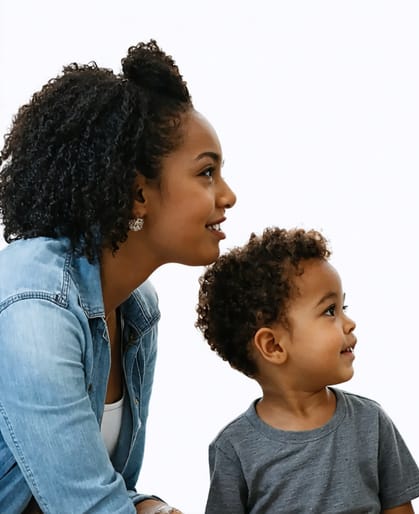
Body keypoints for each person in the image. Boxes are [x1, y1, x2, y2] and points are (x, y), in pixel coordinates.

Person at [0, 41, 236, 514]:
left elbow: (107, 487)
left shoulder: (136, 308)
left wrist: (151, 506)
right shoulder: (36, 308)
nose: (228, 196)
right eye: (207, 173)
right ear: (137, 194)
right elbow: (87, 507)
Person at [195, 227, 419, 514]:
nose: (349, 322)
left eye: (343, 306)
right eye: (330, 311)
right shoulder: (233, 448)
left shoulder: (372, 422)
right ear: (273, 345)